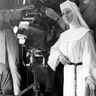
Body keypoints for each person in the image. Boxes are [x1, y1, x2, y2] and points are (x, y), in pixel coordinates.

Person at [47, 1, 96, 96]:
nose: (65, 15)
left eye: (68, 12)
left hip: (83, 73)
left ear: (75, 12)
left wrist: (88, 75)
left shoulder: (86, 33)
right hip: (68, 73)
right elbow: (54, 50)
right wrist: (60, 56)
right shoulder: (63, 36)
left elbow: (90, 57)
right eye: (63, 14)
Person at [0, 11, 21, 95]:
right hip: (1, 36)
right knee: (3, 67)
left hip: (11, 34)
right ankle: (7, 91)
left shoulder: (13, 7)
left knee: (14, 66)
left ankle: (17, 93)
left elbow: (18, 16)